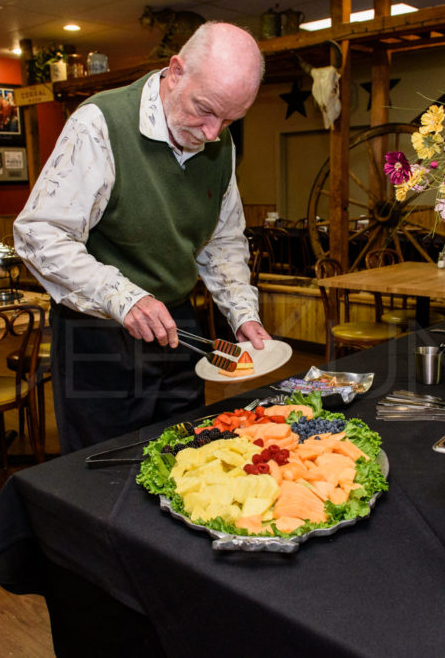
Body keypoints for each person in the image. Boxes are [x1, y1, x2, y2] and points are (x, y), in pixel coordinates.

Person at [14, 22, 270, 454]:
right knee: (104, 469)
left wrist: (242, 312)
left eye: (230, 119)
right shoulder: (100, 123)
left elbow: (222, 241)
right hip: (97, 332)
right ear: (176, 71)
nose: (213, 132)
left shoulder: (219, 143)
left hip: (177, 323)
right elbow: (40, 234)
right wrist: (124, 297)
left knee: (182, 455)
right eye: (206, 109)